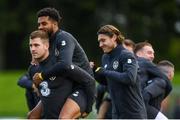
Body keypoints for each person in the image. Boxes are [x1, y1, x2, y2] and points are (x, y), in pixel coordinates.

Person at [28, 7, 95, 119]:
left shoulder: (63, 37)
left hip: (82, 85)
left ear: (55, 23)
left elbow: (65, 64)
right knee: (32, 116)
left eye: (44, 23)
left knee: (64, 118)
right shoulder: (48, 41)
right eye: (39, 24)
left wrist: (41, 76)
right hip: (63, 84)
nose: (40, 27)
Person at [94, 25, 147, 119]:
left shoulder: (126, 55)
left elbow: (129, 78)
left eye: (103, 40)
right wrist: (95, 71)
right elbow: (107, 82)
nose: (100, 45)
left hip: (133, 114)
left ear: (114, 37)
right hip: (116, 114)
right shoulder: (105, 57)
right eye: (99, 41)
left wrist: (105, 72)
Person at [134, 42, 172, 119]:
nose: (152, 56)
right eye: (149, 53)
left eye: (153, 53)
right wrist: (166, 91)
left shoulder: (128, 65)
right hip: (139, 105)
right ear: (139, 54)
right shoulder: (145, 62)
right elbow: (165, 79)